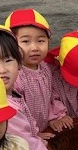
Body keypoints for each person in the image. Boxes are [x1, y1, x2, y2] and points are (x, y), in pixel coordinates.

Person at [4, 8, 59, 139]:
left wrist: (53, 117)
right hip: (25, 134)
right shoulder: (15, 76)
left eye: (40, 41)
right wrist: (34, 134)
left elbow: (49, 95)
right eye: (25, 41)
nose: (34, 48)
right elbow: (18, 113)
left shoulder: (45, 67)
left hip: (44, 127)